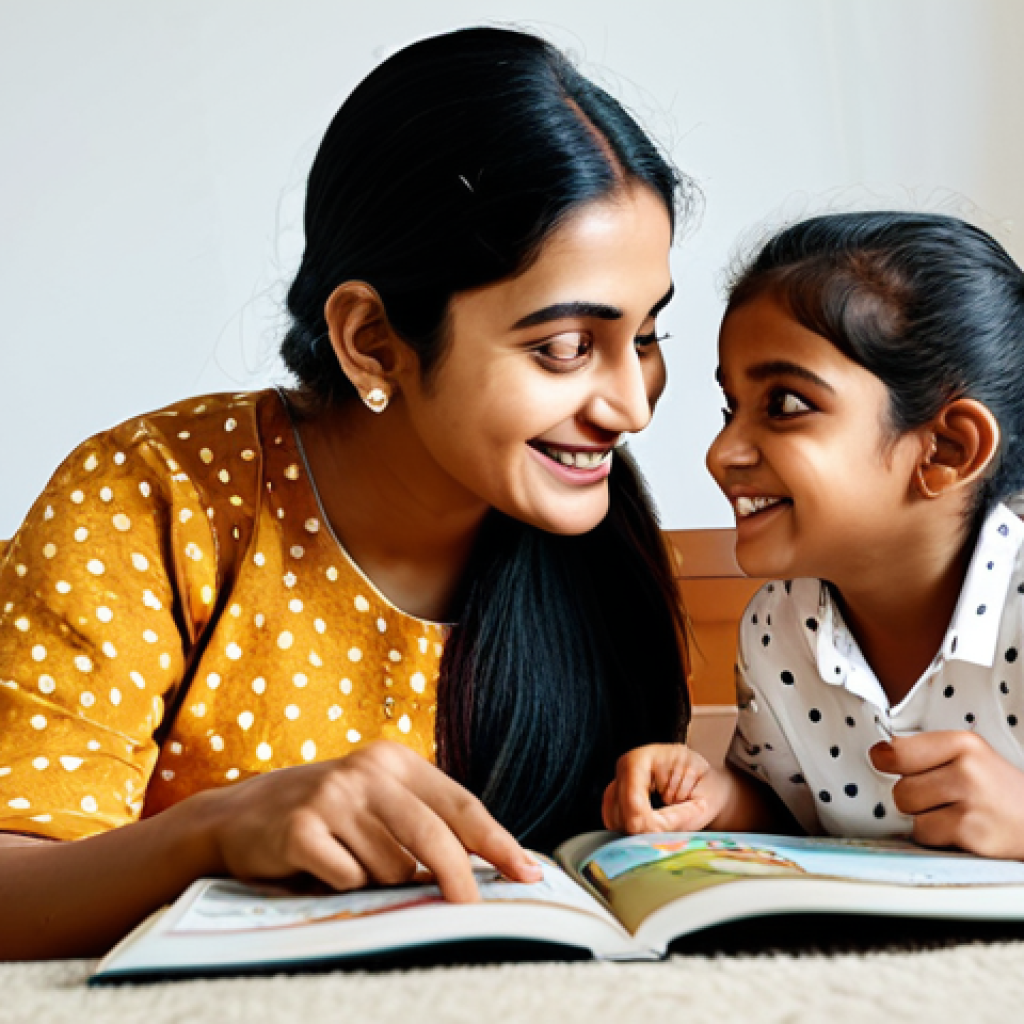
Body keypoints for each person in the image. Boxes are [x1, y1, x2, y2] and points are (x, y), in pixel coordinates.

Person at [0, 26, 693, 958]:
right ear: (372, 340)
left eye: (646, 338)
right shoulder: (154, 500)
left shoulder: (596, 547)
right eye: (565, 346)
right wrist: (214, 833)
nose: (630, 408)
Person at [605, 211, 1024, 861]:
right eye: (731, 409)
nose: (722, 453)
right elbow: (791, 812)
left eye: (786, 404)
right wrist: (714, 796)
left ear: (946, 448)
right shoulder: (778, 625)